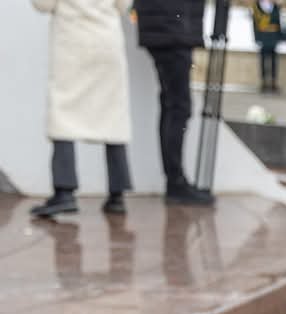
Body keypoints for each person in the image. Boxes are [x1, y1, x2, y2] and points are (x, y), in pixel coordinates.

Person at [29, 0, 133, 219]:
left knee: (64, 115)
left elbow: (42, 5)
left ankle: (64, 191)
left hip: (72, 42)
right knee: (113, 114)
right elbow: (124, 6)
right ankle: (117, 194)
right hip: (107, 41)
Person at [133, 0, 213, 205]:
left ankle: (175, 180)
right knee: (179, 107)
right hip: (171, 27)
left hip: (168, 26)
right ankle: (175, 182)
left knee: (172, 104)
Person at [252, 0, 285, 93]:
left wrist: (281, 35)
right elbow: (255, 23)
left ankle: (274, 82)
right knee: (263, 60)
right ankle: (264, 82)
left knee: (274, 61)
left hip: (273, 36)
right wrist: (257, 36)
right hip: (263, 36)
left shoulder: (275, 7)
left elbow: (279, 22)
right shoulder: (257, 7)